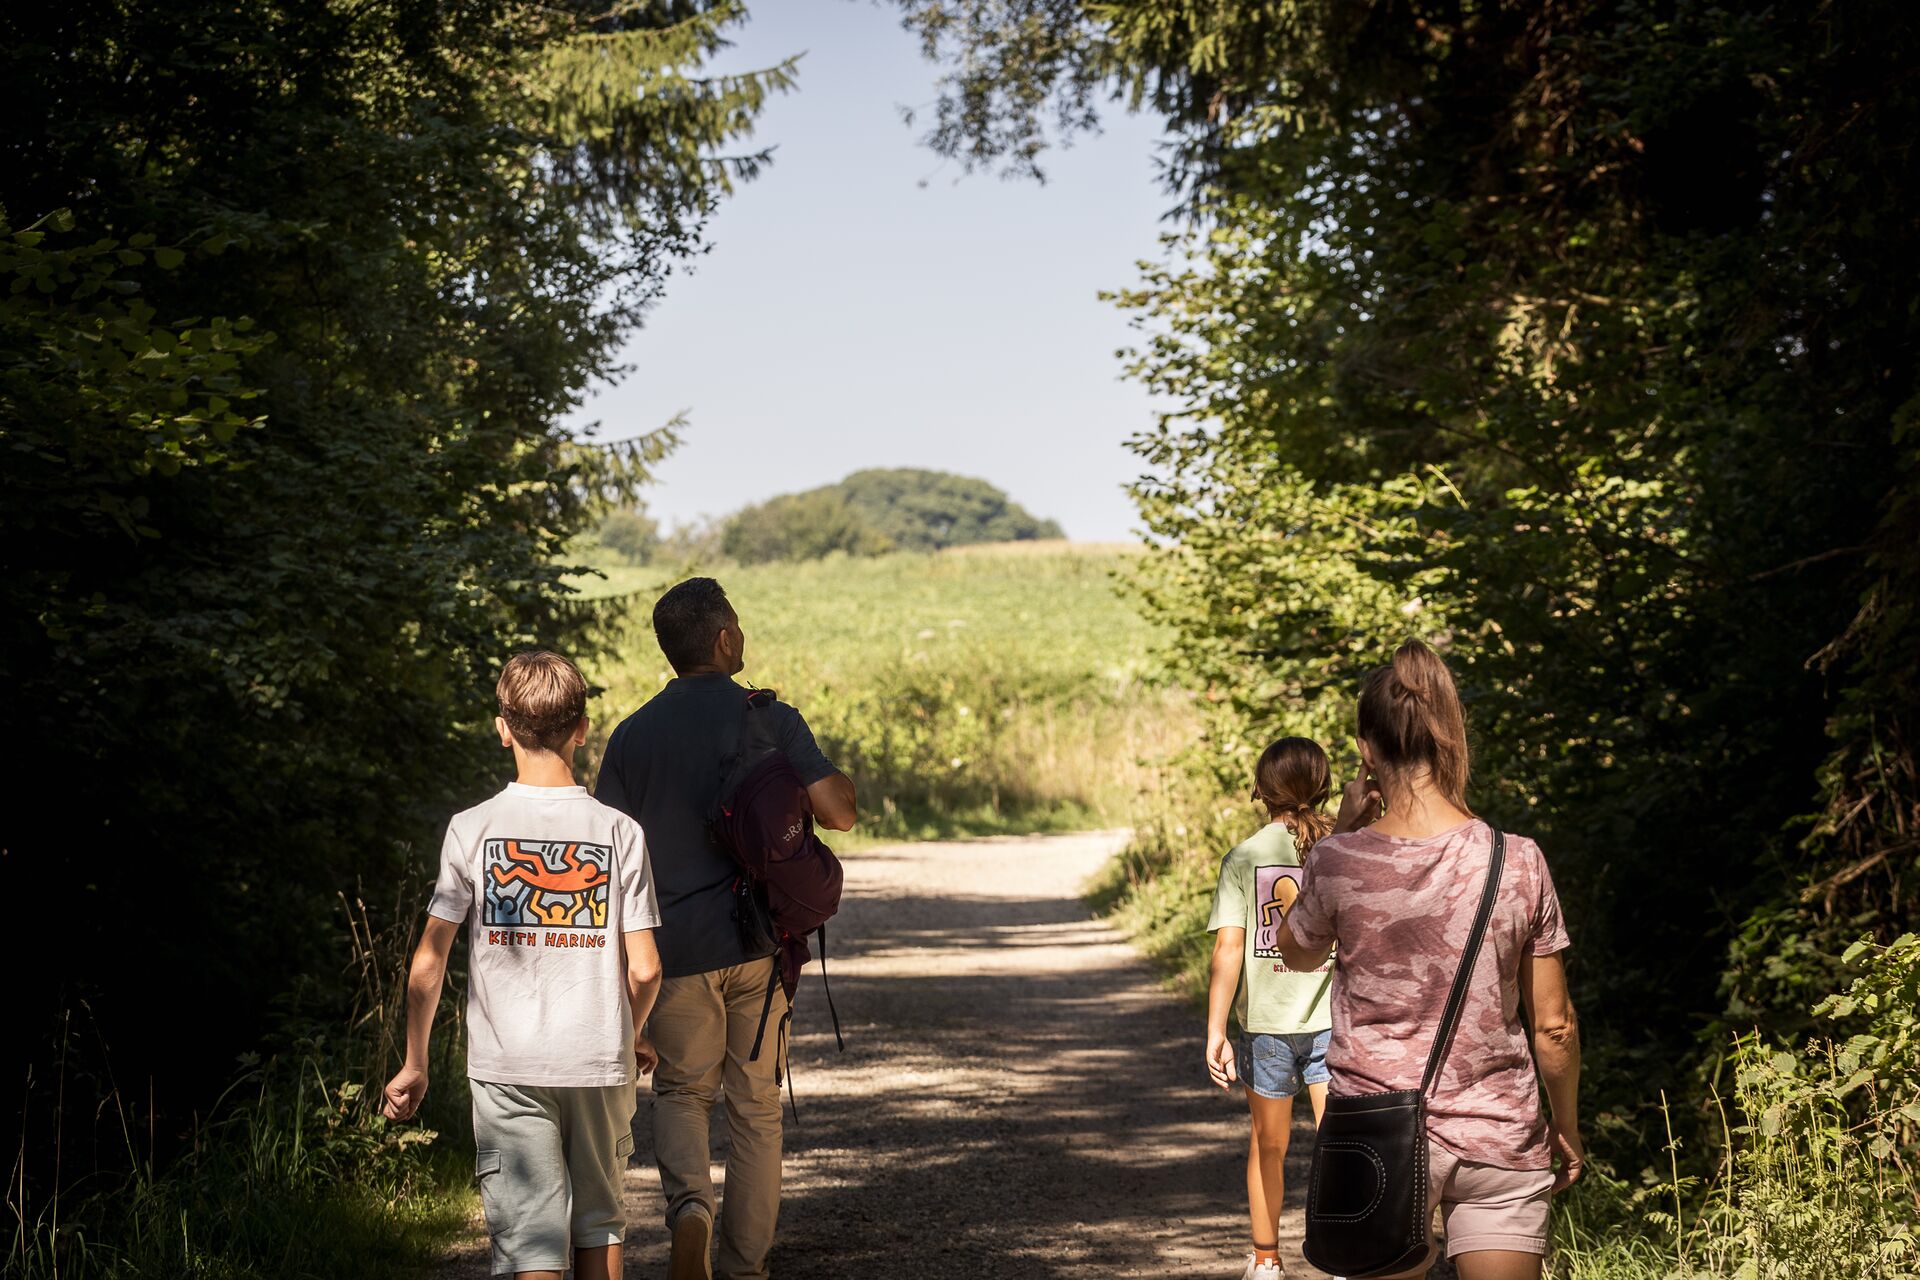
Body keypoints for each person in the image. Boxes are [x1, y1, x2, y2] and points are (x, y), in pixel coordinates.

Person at [1274, 640, 1583, 1280]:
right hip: (1499, 1134)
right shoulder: (1518, 859)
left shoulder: (1337, 862)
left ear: (1366, 747)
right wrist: (1567, 1125)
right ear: (1447, 733)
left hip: (1375, 1134)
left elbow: (1297, 953)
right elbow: (1554, 1026)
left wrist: (1334, 837)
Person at [596, 577, 856, 1280]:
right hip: (759, 947)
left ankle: (690, 1216)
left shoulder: (632, 735)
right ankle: (744, 1267)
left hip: (672, 950)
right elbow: (840, 813)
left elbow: (606, 858)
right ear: (724, 640)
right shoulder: (767, 718)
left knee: (682, 1092)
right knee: (756, 1105)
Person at [382, 650, 664, 1280]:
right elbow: (645, 970)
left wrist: (416, 1062)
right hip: (598, 1061)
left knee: (530, 1243)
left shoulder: (471, 829)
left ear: (502, 726)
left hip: (507, 1065)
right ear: (583, 728)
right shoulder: (620, 832)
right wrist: (632, 1032)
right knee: (600, 1226)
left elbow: (428, 964)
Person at [1206, 737, 1338, 1280]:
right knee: (1343, 1147)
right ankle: (1346, 1260)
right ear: (1324, 787)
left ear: (1260, 789)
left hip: (1265, 1027)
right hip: (1337, 1024)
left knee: (1268, 1147)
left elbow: (1228, 948)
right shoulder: (1344, 848)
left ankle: (1266, 1261)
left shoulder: (1243, 857)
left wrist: (1215, 1029)